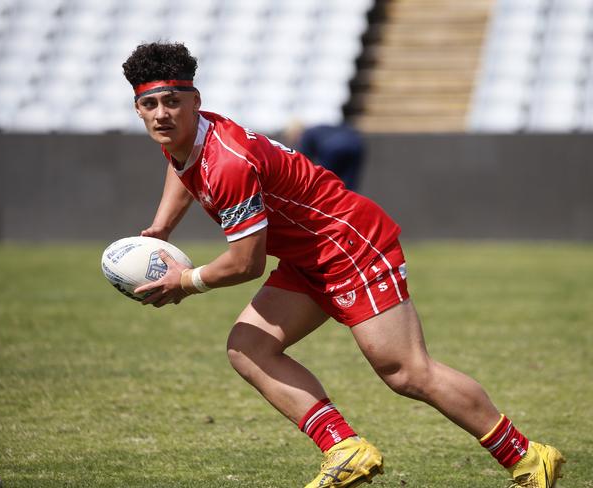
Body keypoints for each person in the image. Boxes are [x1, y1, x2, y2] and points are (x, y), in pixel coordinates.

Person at [123, 42, 565, 487]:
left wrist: (186, 281)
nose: (162, 114)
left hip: (352, 245)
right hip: (309, 255)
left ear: (195, 102)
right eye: (150, 104)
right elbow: (181, 167)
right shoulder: (184, 138)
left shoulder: (228, 163)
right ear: (139, 109)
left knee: (407, 372)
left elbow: (245, 264)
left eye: (172, 102)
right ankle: (345, 449)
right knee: (249, 348)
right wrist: (161, 227)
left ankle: (528, 457)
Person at [285, 122, 365, 192]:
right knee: (350, 185)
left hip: (333, 147)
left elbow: (302, 161)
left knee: (325, 182)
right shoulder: (319, 129)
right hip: (356, 143)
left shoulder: (306, 134)